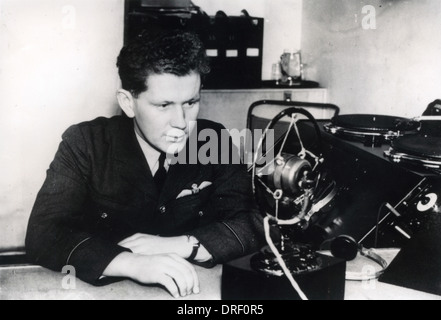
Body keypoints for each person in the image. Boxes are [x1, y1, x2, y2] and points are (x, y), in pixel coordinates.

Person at [25, 30, 265, 298]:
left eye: (191, 102)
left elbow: (253, 223)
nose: (181, 122)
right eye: (163, 105)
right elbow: (43, 233)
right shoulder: (86, 143)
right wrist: (132, 263)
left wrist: (184, 245)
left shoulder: (213, 140)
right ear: (128, 103)